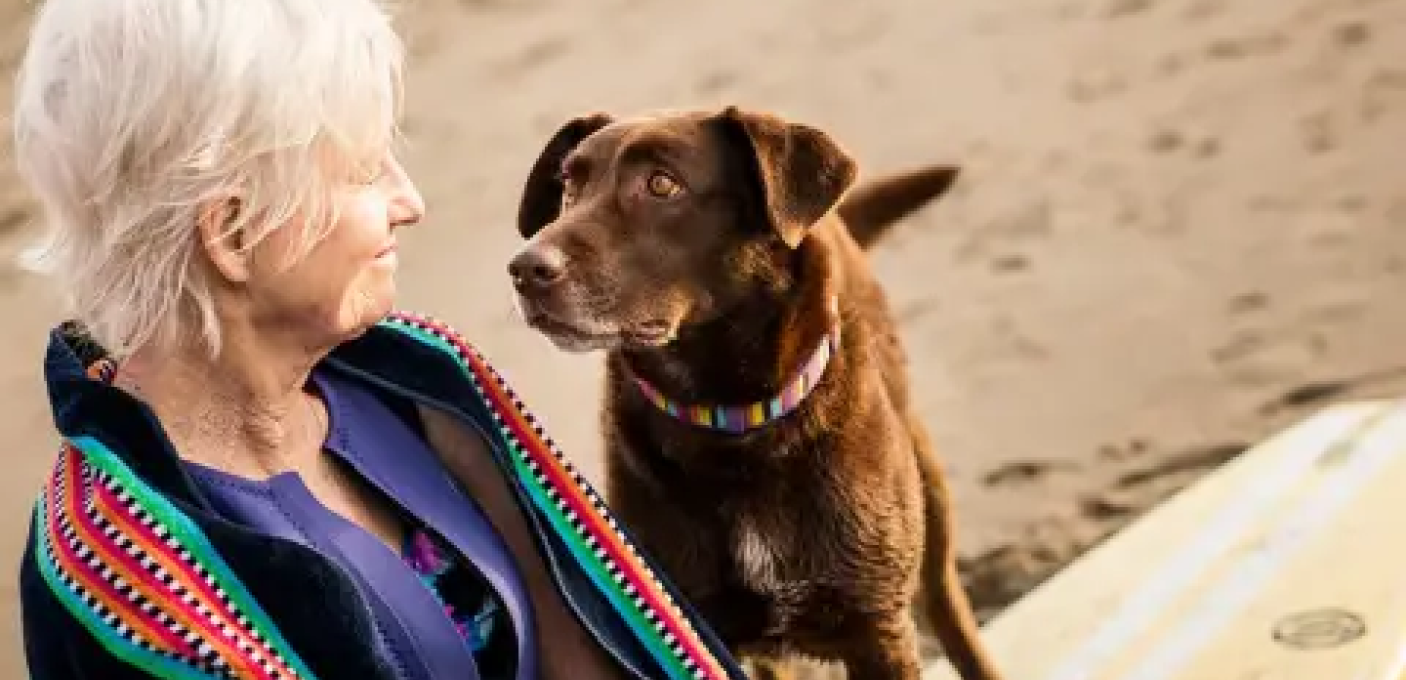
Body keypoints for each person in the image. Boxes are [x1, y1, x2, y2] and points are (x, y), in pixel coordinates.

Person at [10, 1, 751, 679]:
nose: (410, 202)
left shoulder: (420, 379)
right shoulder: (113, 580)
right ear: (234, 232)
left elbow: (589, 650)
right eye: (365, 171)